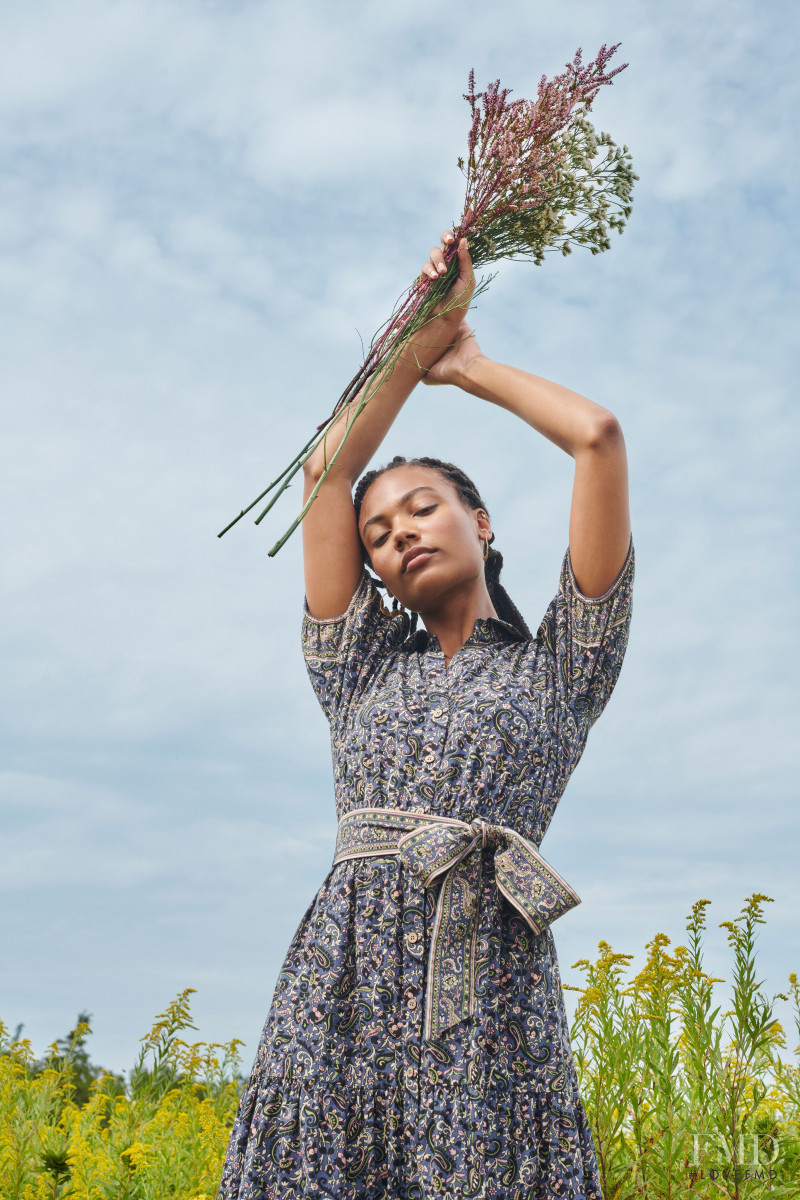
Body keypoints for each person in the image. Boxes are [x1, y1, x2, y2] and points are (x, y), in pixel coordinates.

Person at [217, 231, 633, 1199]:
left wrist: (468, 365)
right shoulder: (353, 667)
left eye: (419, 507)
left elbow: (596, 437)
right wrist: (413, 337)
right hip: (341, 983)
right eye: (377, 533)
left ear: (478, 523)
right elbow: (326, 469)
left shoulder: (565, 667)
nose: (397, 530)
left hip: (486, 987)